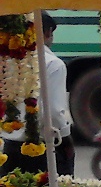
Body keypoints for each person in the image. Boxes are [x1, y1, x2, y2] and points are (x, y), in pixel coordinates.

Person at [0, 12, 74, 177]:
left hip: (9, 147)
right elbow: (54, 112)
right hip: (44, 148)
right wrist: (66, 137)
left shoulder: (6, 60)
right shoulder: (54, 64)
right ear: (47, 33)